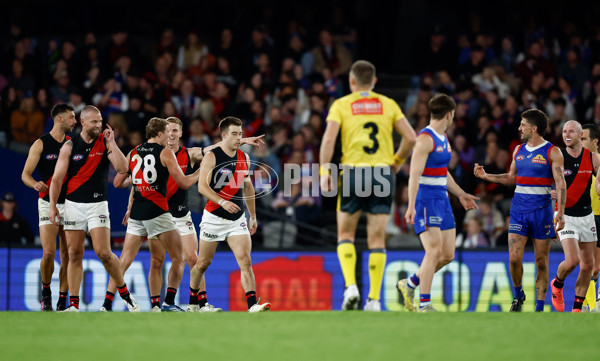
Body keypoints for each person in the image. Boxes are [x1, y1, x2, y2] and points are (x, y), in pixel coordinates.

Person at [101, 117, 264, 312]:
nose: (171, 134)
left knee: (192, 258)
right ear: (162, 133)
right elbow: (133, 183)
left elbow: (215, 148)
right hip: (159, 213)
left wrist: (240, 141)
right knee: (156, 260)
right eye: (168, 130)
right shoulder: (162, 154)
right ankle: (156, 305)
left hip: (178, 214)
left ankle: (195, 303)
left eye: (175, 131)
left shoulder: (189, 153)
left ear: (180, 133)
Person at [319, 60, 417, 311]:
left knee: (345, 235)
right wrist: (396, 162)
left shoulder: (341, 105)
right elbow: (411, 138)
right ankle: (373, 300)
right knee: (377, 240)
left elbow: (329, 139)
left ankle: (351, 286)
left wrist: (324, 169)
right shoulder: (388, 104)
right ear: (374, 82)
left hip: (353, 172)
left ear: (351, 81)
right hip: (383, 173)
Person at [48, 105, 139, 312]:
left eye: (100, 121)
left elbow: (123, 168)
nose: (99, 125)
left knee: (104, 253)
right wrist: (53, 206)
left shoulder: (104, 143)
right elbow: (57, 180)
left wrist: (112, 142)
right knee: (74, 254)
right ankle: (73, 305)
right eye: (94, 122)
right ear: (83, 122)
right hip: (73, 205)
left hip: (97, 204)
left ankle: (125, 294)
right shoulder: (69, 147)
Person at [474, 109, 566, 312]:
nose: (519, 128)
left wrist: (560, 212)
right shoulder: (518, 150)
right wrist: (486, 176)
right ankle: (518, 296)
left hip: (542, 211)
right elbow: (510, 177)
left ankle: (539, 308)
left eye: (523, 124)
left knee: (541, 261)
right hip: (518, 210)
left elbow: (560, 184)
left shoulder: (552, 152)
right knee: (514, 258)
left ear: (534, 128)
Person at [397, 94, 478, 312]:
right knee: (433, 251)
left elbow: (443, 173)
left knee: (447, 255)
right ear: (449, 115)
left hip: (442, 199)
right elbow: (414, 175)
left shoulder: (443, 138)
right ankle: (424, 305)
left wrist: (460, 194)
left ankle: (410, 283)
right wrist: (411, 206)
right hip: (425, 200)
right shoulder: (424, 139)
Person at [189, 116, 271, 312]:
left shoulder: (245, 158)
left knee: (245, 259)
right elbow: (202, 186)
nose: (239, 138)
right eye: (234, 134)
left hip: (237, 219)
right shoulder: (212, 156)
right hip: (214, 217)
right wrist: (222, 201)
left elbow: (248, 187)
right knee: (202, 263)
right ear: (223, 135)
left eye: (240, 134)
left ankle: (252, 305)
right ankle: (193, 301)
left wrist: (253, 215)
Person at [21, 104, 76, 311]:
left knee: (68, 254)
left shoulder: (73, 143)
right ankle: (46, 292)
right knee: (49, 254)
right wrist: (34, 183)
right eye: (71, 117)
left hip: (70, 203)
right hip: (47, 202)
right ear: (59, 119)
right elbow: (25, 174)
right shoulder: (40, 144)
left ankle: (63, 300)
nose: (75, 121)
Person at [548, 120, 600, 312]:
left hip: (587, 216)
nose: (567, 135)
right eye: (564, 131)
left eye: (571, 131)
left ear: (580, 136)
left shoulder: (593, 158)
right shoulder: (558, 156)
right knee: (572, 261)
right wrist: (550, 192)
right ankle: (557, 284)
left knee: (588, 265)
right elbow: (546, 182)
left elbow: (599, 186)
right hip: (565, 214)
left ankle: (577, 309)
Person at [579, 123, 600, 312]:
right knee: (589, 265)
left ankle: (593, 305)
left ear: (595, 141)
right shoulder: (578, 163)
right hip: (586, 217)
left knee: (595, 266)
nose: (580, 142)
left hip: (598, 216)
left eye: (583, 138)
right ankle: (588, 305)